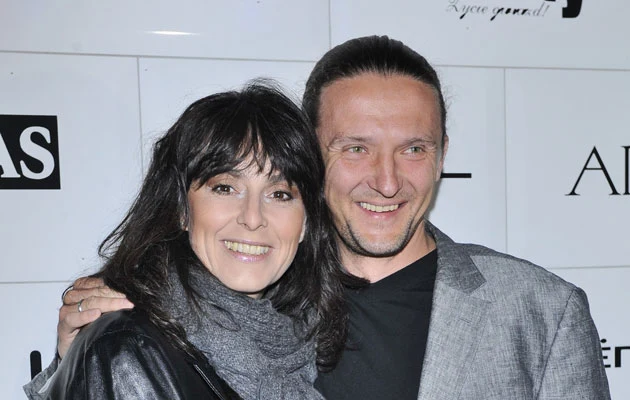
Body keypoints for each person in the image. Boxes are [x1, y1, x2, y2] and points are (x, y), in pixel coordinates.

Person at [27, 36, 611, 399]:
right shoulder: (243, 290)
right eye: (355, 148)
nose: (387, 181)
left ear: (442, 156)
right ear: (310, 156)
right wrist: (74, 362)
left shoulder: (541, 310)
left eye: (414, 148)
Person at [24, 82, 358, 399]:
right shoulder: (129, 352)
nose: (253, 217)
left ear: (305, 223)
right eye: (225, 188)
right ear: (182, 209)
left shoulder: (304, 345)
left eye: (280, 194)